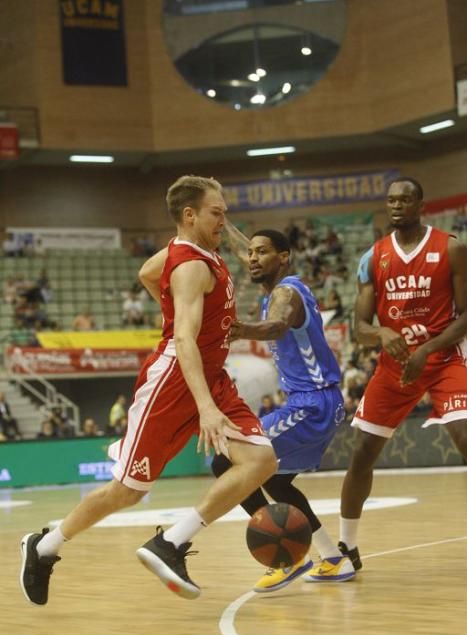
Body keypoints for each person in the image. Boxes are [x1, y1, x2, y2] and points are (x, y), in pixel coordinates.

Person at [20, 175, 276, 606]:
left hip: (210, 375)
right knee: (129, 491)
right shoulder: (192, 266)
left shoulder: (189, 253)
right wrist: (207, 409)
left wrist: (172, 306)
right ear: (190, 215)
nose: (224, 219)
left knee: (260, 460)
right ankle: (43, 547)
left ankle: (171, 544)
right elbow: (182, 341)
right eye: (217, 212)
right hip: (175, 382)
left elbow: (147, 272)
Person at [311, 177, 467, 579]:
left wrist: (428, 350)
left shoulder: (451, 247)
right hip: (396, 362)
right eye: (391, 200)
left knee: (465, 437)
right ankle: (347, 546)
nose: (397, 205)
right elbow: (361, 326)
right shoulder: (372, 257)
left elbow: (466, 316)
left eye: (405, 199)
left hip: (445, 356)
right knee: (362, 452)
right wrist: (382, 332)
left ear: (421, 204)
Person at [212, 224, 354, 592]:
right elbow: (247, 250)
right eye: (253, 253)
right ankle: (333, 560)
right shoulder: (274, 286)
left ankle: (285, 556)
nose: (254, 258)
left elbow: (275, 327)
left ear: (284, 257)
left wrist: (239, 329)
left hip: (312, 404)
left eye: (264, 252)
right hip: (312, 403)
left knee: (225, 461)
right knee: (274, 479)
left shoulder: (286, 294)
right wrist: (224, 226)